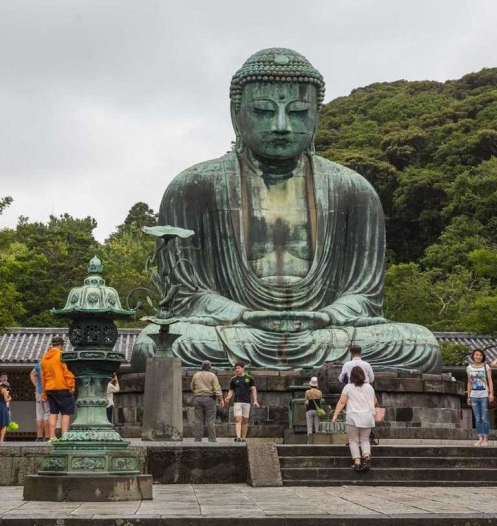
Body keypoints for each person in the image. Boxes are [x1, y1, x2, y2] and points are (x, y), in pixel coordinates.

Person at [131, 47, 441, 374]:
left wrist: (329, 316)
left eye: (297, 112)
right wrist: (242, 314)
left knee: (418, 343)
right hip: (234, 330)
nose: (281, 125)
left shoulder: (354, 190)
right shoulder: (193, 187)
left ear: (316, 116)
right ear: (236, 115)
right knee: (155, 342)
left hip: (325, 330)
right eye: (264, 111)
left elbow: (364, 295)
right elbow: (186, 294)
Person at [331, 366, 376, 471]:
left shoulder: (348, 387)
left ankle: (357, 462)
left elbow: (342, 402)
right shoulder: (369, 387)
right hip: (367, 417)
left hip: (353, 417)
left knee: (353, 440)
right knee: (365, 439)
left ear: (351, 376)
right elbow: (374, 401)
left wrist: (335, 415)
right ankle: (366, 455)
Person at [339, 346, 378, 445]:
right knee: (368, 413)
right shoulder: (366, 364)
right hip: (366, 390)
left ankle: (351, 439)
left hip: (352, 390)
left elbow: (341, 377)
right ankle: (369, 437)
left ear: (351, 353)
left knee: (352, 413)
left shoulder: (347, 364)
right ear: (361, 353)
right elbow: (372, 378)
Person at [40, 336, 76, 439]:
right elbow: (67, 372)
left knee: (53, 412)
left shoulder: (44, 358)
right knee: (66, 412)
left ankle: (52, 436)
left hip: (49, 388)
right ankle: (64, 435)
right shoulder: (61, 356)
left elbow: (42, 377)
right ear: (61, 345)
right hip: (62, 387)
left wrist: (43, 392)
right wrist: (71, 385)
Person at [465, 349, 494, 446]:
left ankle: (485, 438)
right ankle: (480, 438)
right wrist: (468, 396)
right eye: (476, 355)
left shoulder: (486, 367)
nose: (478, 357)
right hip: (474, 395)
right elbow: (469, 382)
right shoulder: (469, 368)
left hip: (484, 394)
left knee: (484, 417)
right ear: (473, 356)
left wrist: (491, 393)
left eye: (480, 355)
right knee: (477, 418)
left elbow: (490, 380)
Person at [225, 362, 259, 442]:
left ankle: (243, 438)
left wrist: (255, 401)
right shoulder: (233, 379)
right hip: (237, 402)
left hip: (246, 402)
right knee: (238, 419)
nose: (237, 370)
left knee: (245, 420)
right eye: (236, 368)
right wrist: (228, 397)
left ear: (243, 368)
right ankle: (238, 437)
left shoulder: (250, 378)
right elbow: (231, 390)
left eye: (238, 368)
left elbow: (253, 389)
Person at [191, 361, 224, 442]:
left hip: (198, 399)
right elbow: (217, 389)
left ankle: (198, 439)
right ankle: (212, 439)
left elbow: (192, 387)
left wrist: (197, 392)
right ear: (210, 367)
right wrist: (221, 399)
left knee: (198, 420)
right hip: (209, 399)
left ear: (201, 367)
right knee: (210, 420)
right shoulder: (212, 375)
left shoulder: (196, 375)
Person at [30, 361, 50, 441]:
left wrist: (37, 385)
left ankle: (39, 436)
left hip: (38, 392)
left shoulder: (39, 364)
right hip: (47, 391)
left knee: (39, 414)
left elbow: (32, 374)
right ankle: (48, 436)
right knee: (48, 413)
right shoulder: (50, 363)